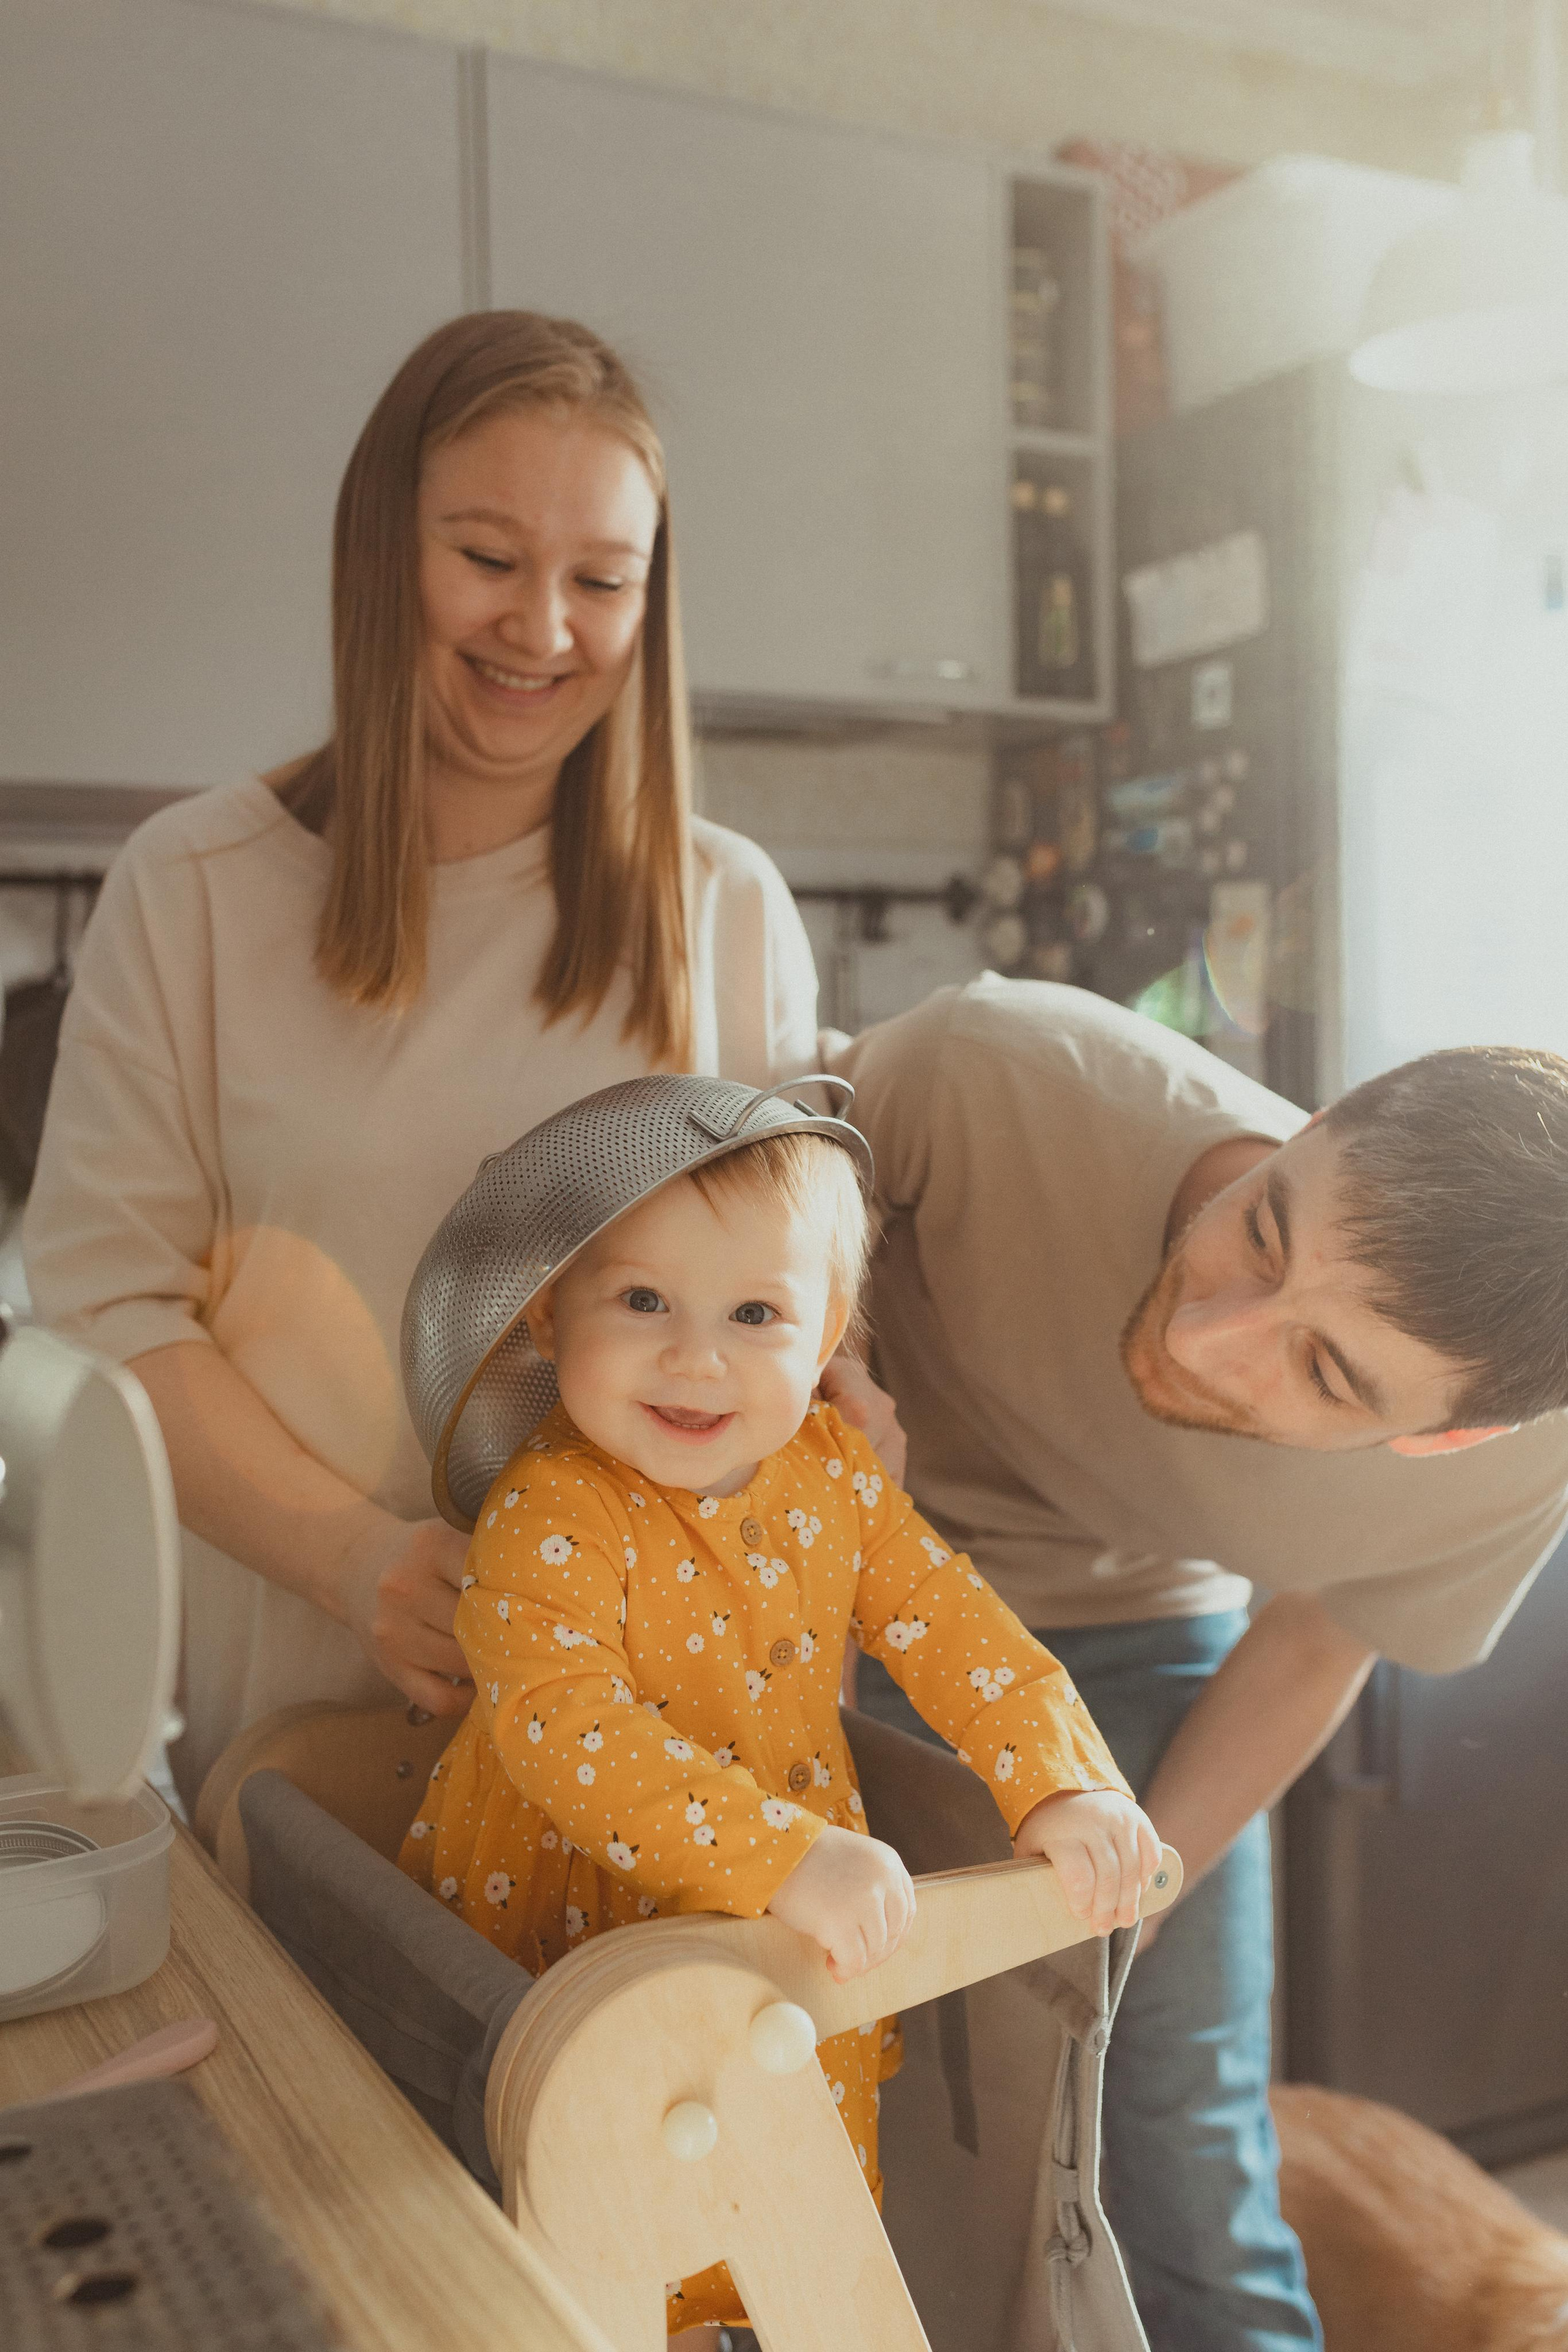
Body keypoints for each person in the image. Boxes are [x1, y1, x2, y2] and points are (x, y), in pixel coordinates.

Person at [23, 311, 834, 1812]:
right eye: (486, 558)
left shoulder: (723, 911)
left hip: (657, 1754)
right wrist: (353, 1561)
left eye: (601, 580)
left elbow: (790, 1306)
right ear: (378, 552)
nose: (543, 629)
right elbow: (108, 1304)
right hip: (295, 1730)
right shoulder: (195, 888)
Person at [830, 973, 1568, 2352]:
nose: (1203, 1334)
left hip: (1138, 1619)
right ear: (1316, 1118)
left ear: (1445, 1441)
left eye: (1327, 1375)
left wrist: (1145, 1879)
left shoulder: (1512, 1481)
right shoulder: (995, 1067)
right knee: (858, 2121)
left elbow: (1312, 1635)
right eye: (1262, 1232)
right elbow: (762, 1172)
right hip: (827, 1593)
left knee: (1182, 2142)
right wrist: (837, 1350)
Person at [399, 1083, 1162, 2343]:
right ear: (549, 1312)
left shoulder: (838, 1478)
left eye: (755, 1313)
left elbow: (957, 1628)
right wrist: (780, 1856)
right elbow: (559, 1725)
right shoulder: (546, 1509)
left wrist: (1060, 1781)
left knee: (792, 2232)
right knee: (592, 2260)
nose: (696, 1357)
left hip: (797, 1954)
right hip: (574, 1937)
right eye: (642, 1301)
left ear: (825, 1338)